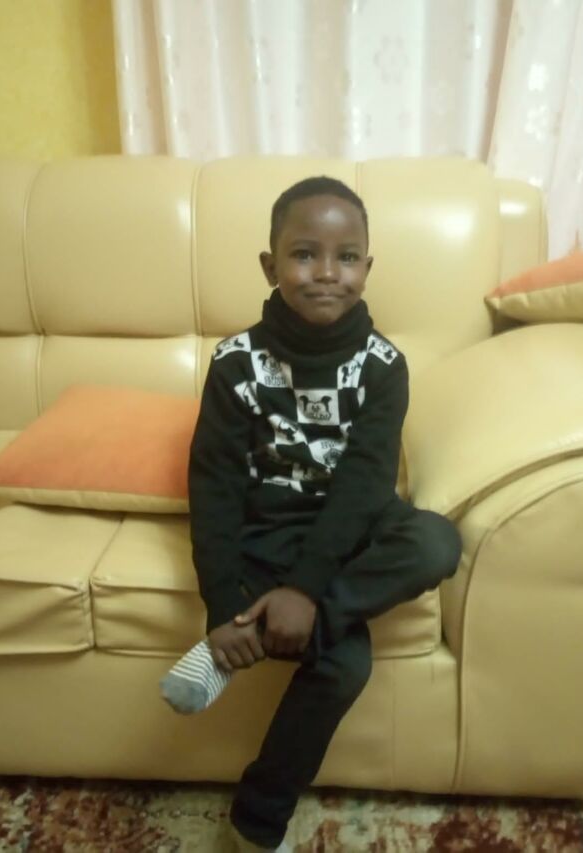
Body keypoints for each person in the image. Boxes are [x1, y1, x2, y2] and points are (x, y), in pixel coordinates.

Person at [160, 176, 462, 852]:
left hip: (353, 526)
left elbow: (365, 483)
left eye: (346, 257)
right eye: (304, 254)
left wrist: (304, 591)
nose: (327, 272)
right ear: (270, 266)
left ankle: (275, 630)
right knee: (345, 668)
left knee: (436, 541)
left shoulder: (383, 365)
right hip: (269, 528)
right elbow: (212, 486)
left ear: (367, 268)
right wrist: (221, 605)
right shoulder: (235, 363)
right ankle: (258, 817)